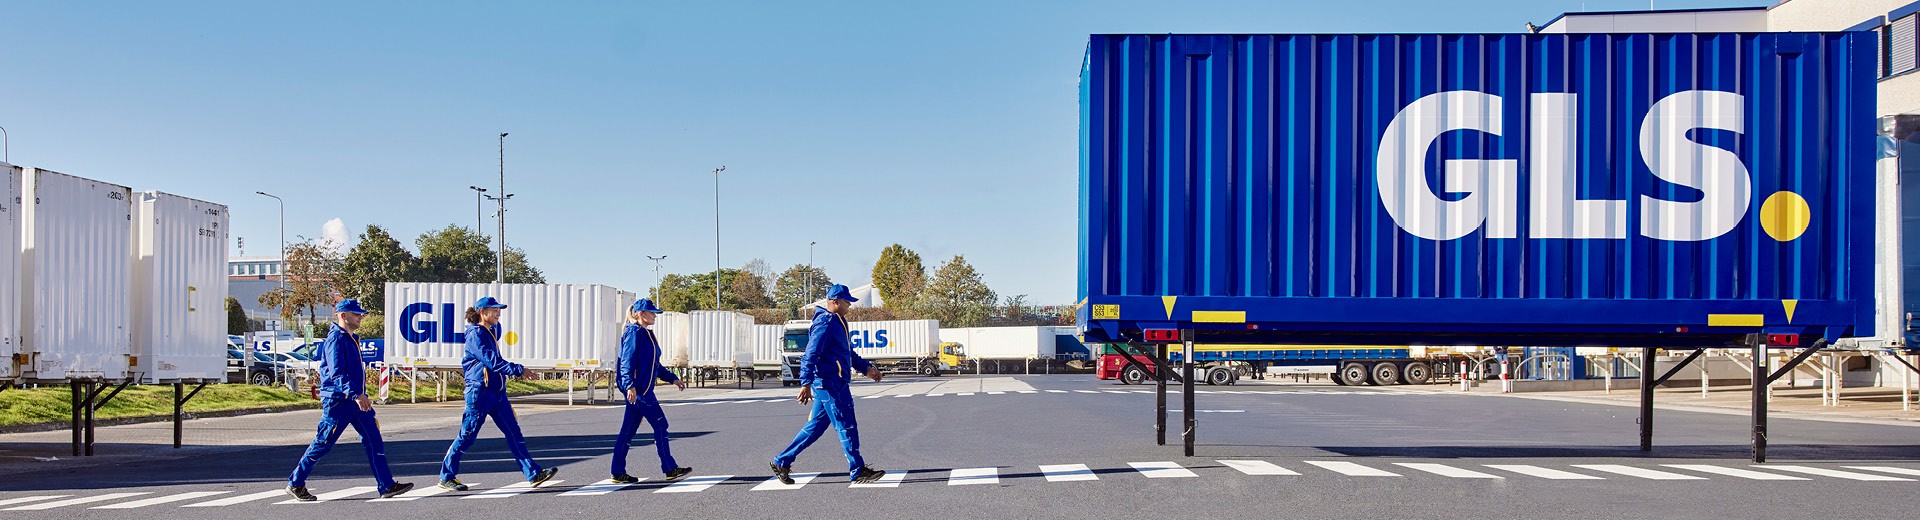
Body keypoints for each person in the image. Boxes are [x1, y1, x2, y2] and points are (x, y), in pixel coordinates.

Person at [286, 299, 414, 500]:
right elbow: (337, 373)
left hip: (355, 401)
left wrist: (359, 396)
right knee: (324, 442)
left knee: (373, 440)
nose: (360, 317)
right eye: (356, 314)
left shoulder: (350, 338)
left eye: (361, 314)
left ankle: (387, 485)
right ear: (343, 316)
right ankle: (296, 482)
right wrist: (356, 394)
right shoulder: (336, 340)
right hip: (338, 402)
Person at [438, 296, 559, 491]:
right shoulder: (475, 335)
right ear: (482, 312)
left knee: (514, 432)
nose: (498, 314)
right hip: (479, 392)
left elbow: (495, 355)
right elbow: (492, 361)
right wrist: (519, 370)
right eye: (494, 310)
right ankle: (446, 476)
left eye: (499, 310)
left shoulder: (490, 330)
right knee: (467, 435)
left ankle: (533, 473)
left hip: (497, 392)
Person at [770, 284, 886, 484]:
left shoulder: (837, 321)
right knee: (846, 425)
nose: (850, 305)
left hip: (831, 382)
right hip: (831, 384)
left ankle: (782, 461)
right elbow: (810, 354)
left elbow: (847, 352)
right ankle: (858, 470)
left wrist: (866, 368)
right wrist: (805, 383)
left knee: (815, 428)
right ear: (835, 301)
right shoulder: (825, 323)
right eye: (847, 301)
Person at [610, 298, 692, 484]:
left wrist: (672, 378)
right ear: (641, 314)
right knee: (660, 424)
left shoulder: (645, 333)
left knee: (628, 431)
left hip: (642, 389)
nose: (655, 316)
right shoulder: (634, 333)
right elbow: (626, 362)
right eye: (652, 312)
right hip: (639, 391)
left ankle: (617, 471)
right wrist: (629, 385)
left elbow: (655, 365)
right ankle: (670, 468)